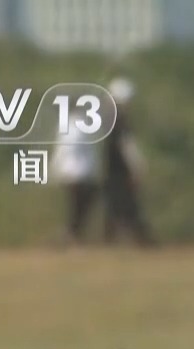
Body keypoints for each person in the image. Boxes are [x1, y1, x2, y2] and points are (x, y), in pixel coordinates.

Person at [101, 77, 155, 247]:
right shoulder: (120, 120)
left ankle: (111, 240)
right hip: (120, 172)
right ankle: (143, 241)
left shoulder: (108, 120)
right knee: (126, 207)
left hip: (112, 170)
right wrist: (137, 167)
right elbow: (127, 147)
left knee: (117, 208)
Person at [54, 126, 100, 245]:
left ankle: (72, 235)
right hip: (76, 174)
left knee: (78, 208)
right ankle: (71, 235)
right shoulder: (76, 127)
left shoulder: (73, 126)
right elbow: (68, 149)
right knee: (76, 208)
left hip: (78, 173)